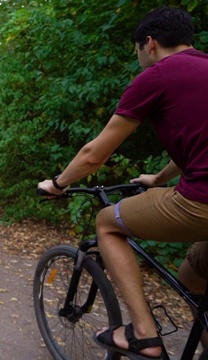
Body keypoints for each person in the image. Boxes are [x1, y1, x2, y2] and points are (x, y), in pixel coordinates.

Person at [37, 6, 208, 360]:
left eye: (137, 50)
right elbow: (197, 145)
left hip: (202, 201)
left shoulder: (158, 76)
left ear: (149, 43)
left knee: (107, 223)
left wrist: (58, 183)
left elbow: (94, 154)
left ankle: (144, 335)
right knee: (192, 275)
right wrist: (158, 179)